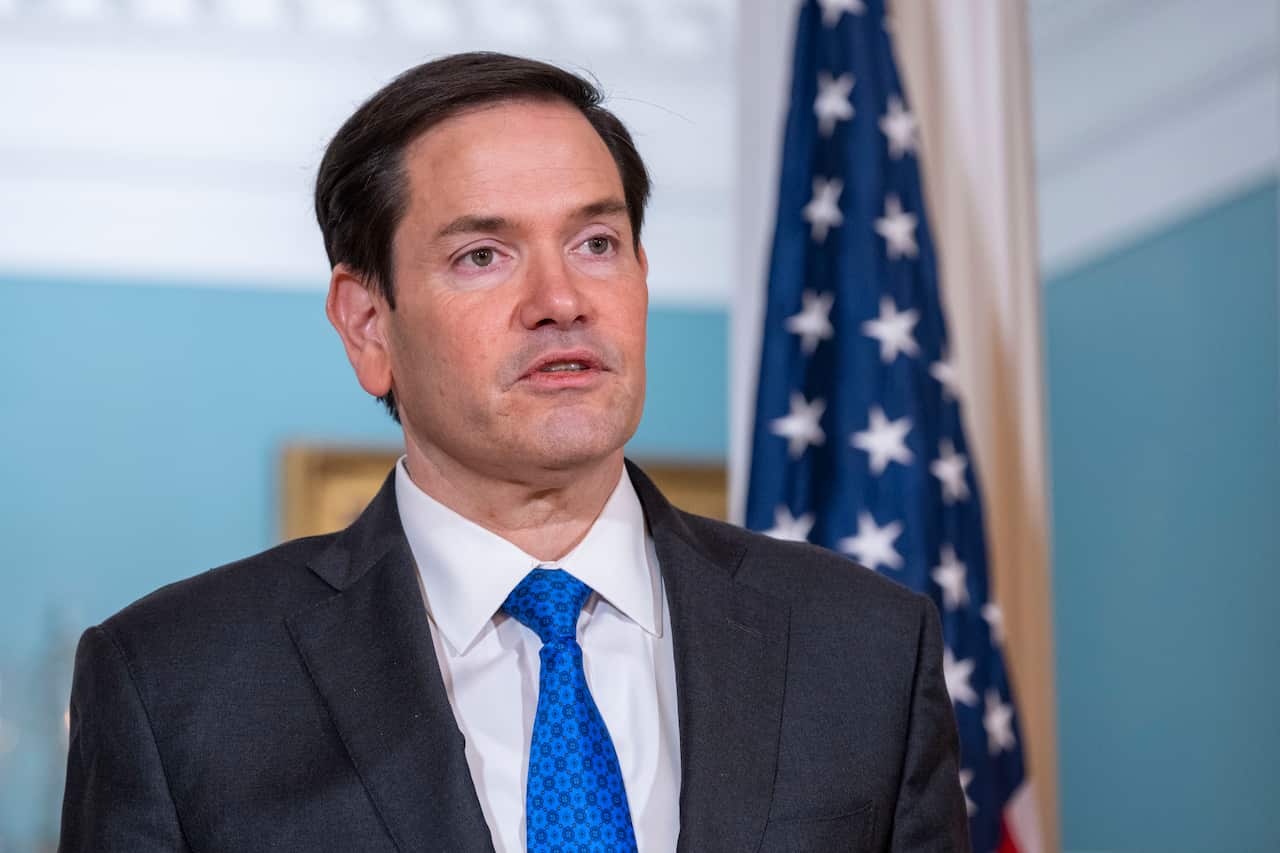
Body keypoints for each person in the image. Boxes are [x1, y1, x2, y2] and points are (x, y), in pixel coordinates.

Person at [58, 52, 969, 852]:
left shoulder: (866, 649)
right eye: (484, 255)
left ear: (642, 280)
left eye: (597, 243)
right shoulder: (174, 684)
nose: (562, 299)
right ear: (368, 324)